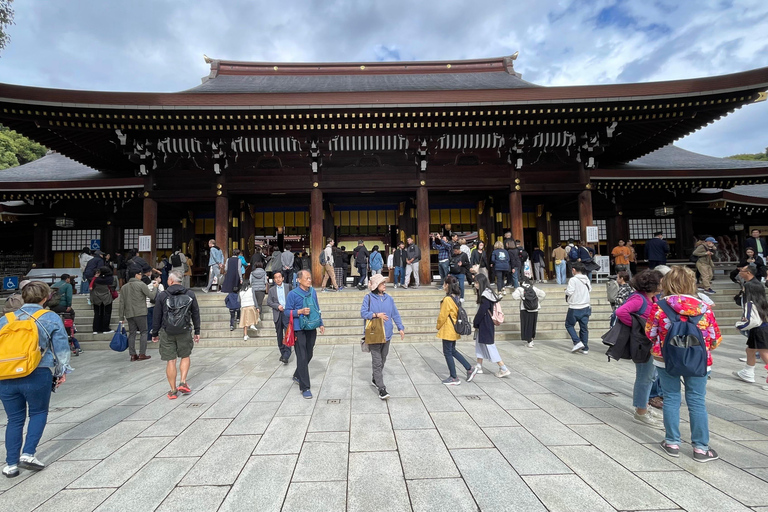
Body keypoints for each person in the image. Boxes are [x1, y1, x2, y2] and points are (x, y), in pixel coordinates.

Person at [645, 265, 721, 462]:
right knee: (696, 400)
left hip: (666, 359)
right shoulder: (704, 307)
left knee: (670, 398)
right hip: (698, 361)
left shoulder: (659, 307)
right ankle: (701, 448)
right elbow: (715, 338)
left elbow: (650, 333)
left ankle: (672, 442)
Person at [0, 281, 72, 478]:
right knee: (38, 412)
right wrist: (62, 370)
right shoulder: (49, 317)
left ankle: (10, 464)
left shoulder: (6, 319)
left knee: (14, 419)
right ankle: (28, 453)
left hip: (6, 374)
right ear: (45, 298)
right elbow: (62, 348)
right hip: (37, 371)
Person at [615, 269, 663, 428]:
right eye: (660, 283)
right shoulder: (639, 299)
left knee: (649, 376)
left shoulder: (653, 298)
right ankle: (640, 412)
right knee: (645, 377)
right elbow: (621, 312)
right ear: (652, 285)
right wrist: (639, 327)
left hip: (651, 343)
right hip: (643, 344)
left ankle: (642, 406)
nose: (663, 285)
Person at [152, 271, 201, 400]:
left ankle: (173, 391)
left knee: (171, 360)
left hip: (167, 331)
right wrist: (197, 331)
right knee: (185, 356)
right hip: (184, 330)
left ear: (171, 281)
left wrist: (155, 333)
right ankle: (183, 381)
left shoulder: (163, 295)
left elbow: (157, 315)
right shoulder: (189, 294)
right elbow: (195, 313)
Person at [361, 274, 405, 400]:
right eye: (382, 283)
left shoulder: (389, 299)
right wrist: (376, 315)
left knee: (383, 358)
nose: (384, 285)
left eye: (384, 283)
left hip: (387, 335)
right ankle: (381, 388)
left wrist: (400, 327)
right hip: (374, 335)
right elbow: (363, 313)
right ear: (375, 286)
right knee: (377, 361)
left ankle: (375, 378)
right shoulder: (368, 298)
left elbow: (395, 314)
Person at [286, 270, 325, 399]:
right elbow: (286, 312)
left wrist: (321, 323)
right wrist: (300, 311)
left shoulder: (313, 291)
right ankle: (305, 387)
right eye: (307, 278)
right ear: (299, 280)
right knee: (301, 356)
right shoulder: (292, 294)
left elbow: (316, 307)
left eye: (310, 278)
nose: (309, 280)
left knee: (309, 354)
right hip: (299, 329)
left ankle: (298, 374)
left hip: (311, 326)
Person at [437, 275, 477, 386]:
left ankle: (454, 377)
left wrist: (438, 326)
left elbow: (442, 316)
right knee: (452, 350)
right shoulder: (456, 297)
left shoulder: (447, 299)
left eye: (444, 284)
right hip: (454, 328)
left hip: (448, 329)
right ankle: (469, 368)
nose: (443, 286)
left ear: (448, 285)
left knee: (447, 352)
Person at [472, 273, 511, 376]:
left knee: (490, 346)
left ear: (481, 283)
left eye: (476, 282)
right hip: (485, 323)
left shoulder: (485, 295)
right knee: (480, 344)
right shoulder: (488, 293)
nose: (475, 284)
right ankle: (479, 366)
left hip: (485, 323)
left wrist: (475, 322)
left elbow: (482, 311)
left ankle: (503, 368)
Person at [118, 268, 158, 361]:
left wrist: (121, 316)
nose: (141, 276)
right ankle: (142, 353)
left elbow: (121, 303)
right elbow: (151, 296)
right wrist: (155, 288)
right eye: (140, 274)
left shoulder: (124, 287)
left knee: (132, 333)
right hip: (140, 312)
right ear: (136, 275)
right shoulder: (141, 285)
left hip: (129, 313)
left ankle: (132, 354)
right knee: (144, 332)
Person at [733, 278, 768, 383]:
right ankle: (748, 372)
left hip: (758, 329)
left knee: (763, 352)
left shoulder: (750, 304)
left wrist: (739, 326)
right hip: (763, 328)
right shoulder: (763, 302)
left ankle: (749, 372)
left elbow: (751, 321)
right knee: (750, 350)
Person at [512, 276, 546, 348]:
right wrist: (537, 301)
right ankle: (532, 339)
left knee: (526, 325)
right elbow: (543, 294)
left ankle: (529, 341)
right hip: (534, 309)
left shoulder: (520, 289)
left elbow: (514, 296)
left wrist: (522, 299)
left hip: (524, 309)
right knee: (533, 324)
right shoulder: (533, 288)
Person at [565, 262, 592, 354]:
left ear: (573, 270)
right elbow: (590, 290)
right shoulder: (586, 279)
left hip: (575, 307)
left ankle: (577, 342)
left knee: (569, 325)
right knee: (584, 327)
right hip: (586, 306)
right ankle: (585, 347)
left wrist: (566, 291)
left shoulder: (573, 280)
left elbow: (570, 291)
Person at [267, 270, 293, 364]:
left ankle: (287, 354)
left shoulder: (288, 287)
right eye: (276, 277)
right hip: (277, 314)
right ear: (274, 279)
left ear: (283, 278)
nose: (278, 279)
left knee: (288, 333)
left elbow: (293, 298)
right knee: (279, 335)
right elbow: (269, 302)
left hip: (287, 313)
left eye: (279, 277)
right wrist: (277, 306)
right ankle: (283, 353)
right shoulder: (272, 290)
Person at [90, 266, 115, 335]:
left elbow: (91, 286)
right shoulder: (110, 279)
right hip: (107, 298)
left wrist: (96, 276)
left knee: (97, 313)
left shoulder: (96, 279)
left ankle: (96, 329)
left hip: (97, 298)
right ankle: (105, 328)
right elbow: (113, 287)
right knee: (107, 313)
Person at [146, 272, 164, 342]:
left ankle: (149, 337)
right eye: (159, 277)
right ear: (156, 278)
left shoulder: (148, 286)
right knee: (156, 322)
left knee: (149, 322)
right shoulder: (160, 286)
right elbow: (162, 295)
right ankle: (155, 335)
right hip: (156, 306)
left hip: (148, 306)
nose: (160, 279)